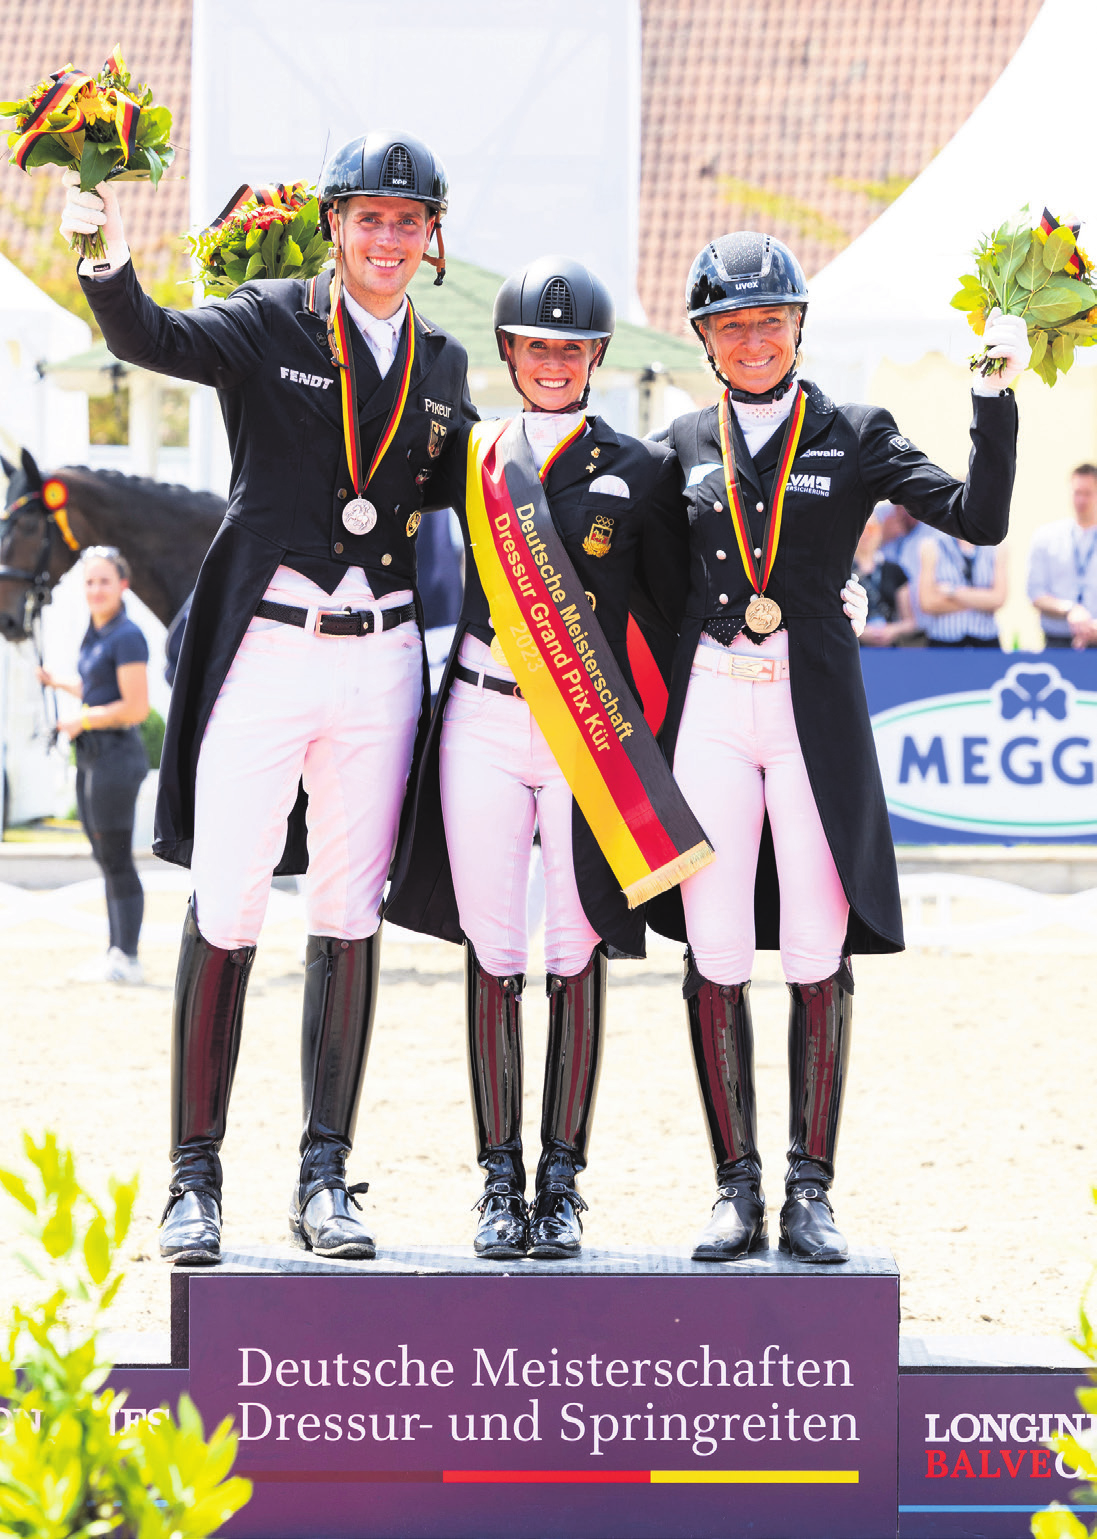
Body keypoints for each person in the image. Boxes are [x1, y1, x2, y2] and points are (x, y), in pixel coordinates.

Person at [387, 256, 867, 1262]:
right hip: (478, 718)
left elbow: (683, 588)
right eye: (535, 348)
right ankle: (494, 1180)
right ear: (508, 354)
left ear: (596, 356)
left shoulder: (641, 467)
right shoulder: (471, 453)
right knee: (491, 948)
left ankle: (560, 1181)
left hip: (582, 733)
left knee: (572, 945)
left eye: (571, 350)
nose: (553, 363)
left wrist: (827, 597)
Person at [60, 131, 475, 1266]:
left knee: (345, 910)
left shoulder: (442, 363)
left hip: (381, 656)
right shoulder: (266, 317)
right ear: (334, 224)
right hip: (268, 648)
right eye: (368, 218)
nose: (387, 239)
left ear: (431, 238)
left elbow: (481, 495)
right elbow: (153, 337)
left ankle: (326, 1175)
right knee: (232, 903)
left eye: (408, 221)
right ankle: (193, 1180)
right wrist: (104, 261)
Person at [644, 234, 1025, 1265]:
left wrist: (992, 389)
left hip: (808, 710)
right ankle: (734, 1188)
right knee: (714, 949)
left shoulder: (856, 431)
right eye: (730, 326)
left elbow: (979, 518)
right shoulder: (678, 441)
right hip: (712, 709)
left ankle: (808, 1192)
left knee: (815, 947)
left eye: (769, 321)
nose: (752, 340)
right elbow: (643, 585)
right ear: (705, 341)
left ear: (799, 326)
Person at [37, 546, 149, 983]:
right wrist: (59, 682)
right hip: (93, 757)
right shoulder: (96, 632)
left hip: (117, 760)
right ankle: (115, 951)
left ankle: (128, 957)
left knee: (117, 858)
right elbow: (96, 687)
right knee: (105, 857)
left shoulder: (128, 636)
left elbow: (135, 707)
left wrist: (78, 720)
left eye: (104, 580)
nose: (96, 589)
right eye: (89, 582)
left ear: (123, 585)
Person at [1026, 463, 1097, 649]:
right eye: (1076, 493)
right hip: (1057, 641)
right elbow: (1035, 593)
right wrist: (1070, 609)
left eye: (1087, 493)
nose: (1081, 500)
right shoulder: (1047, 537)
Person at [918, 531, 1007, 647]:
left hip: (985, 639)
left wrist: (952, 592)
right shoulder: (933, 544)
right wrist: (982, 600)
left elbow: (998, 599)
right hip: (944, 640)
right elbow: (927, 603)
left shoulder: (996, 546)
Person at [852, 517, 918, 647]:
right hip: (853, 648)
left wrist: (892, 630)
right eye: (861, 529)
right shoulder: (840, 571)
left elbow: (910, 622)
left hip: (889, 650)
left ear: (880, 532)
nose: (866, 535)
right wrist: (858, 631)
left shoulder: (895, 570)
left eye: (871, 529)